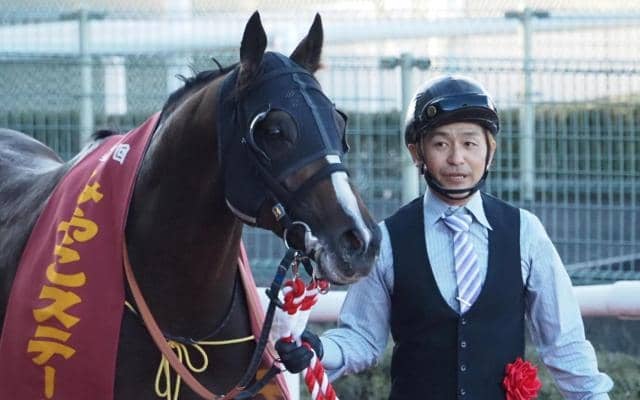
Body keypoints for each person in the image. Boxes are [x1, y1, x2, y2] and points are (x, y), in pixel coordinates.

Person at [276, 75, 613, 399]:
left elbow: (563, 342)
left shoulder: (526, 232)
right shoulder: (388, 239)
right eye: (440, 144)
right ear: (416, 153)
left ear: (490, 151)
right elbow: (362, 337)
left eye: (470, 143)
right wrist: (320, 348)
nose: (456, 158)